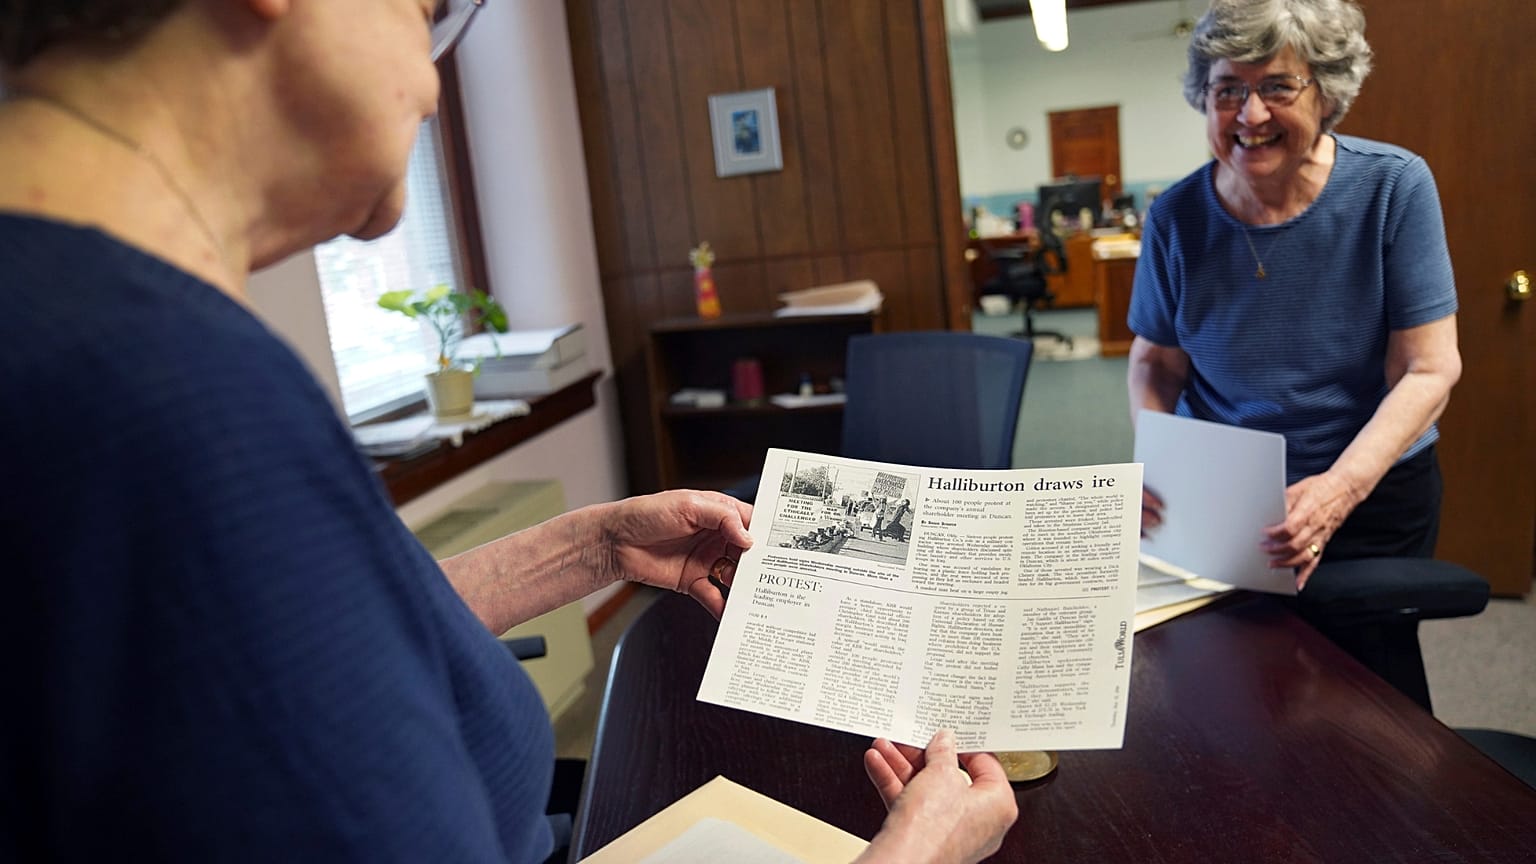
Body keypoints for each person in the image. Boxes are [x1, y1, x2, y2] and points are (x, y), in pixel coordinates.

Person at [0, 1, 1016, 861]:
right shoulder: (179, 400)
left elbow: (332, 633)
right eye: (424, 9)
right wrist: (913, 851)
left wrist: (597, 544)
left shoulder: (73, 333)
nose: (436, 83)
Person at [1127, 0, 1461, 590]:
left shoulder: (1393, 186)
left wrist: (1339, 490)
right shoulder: (1174, 217)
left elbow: (1428, 369)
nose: (1250, 114)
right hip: (1225, 498)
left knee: (1369, 669)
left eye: (1278, 86)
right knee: (1231, 668)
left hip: (1369, 493)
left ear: (1326, 93)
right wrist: (1157, 463)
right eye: (1227, 89)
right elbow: (1155, 364)